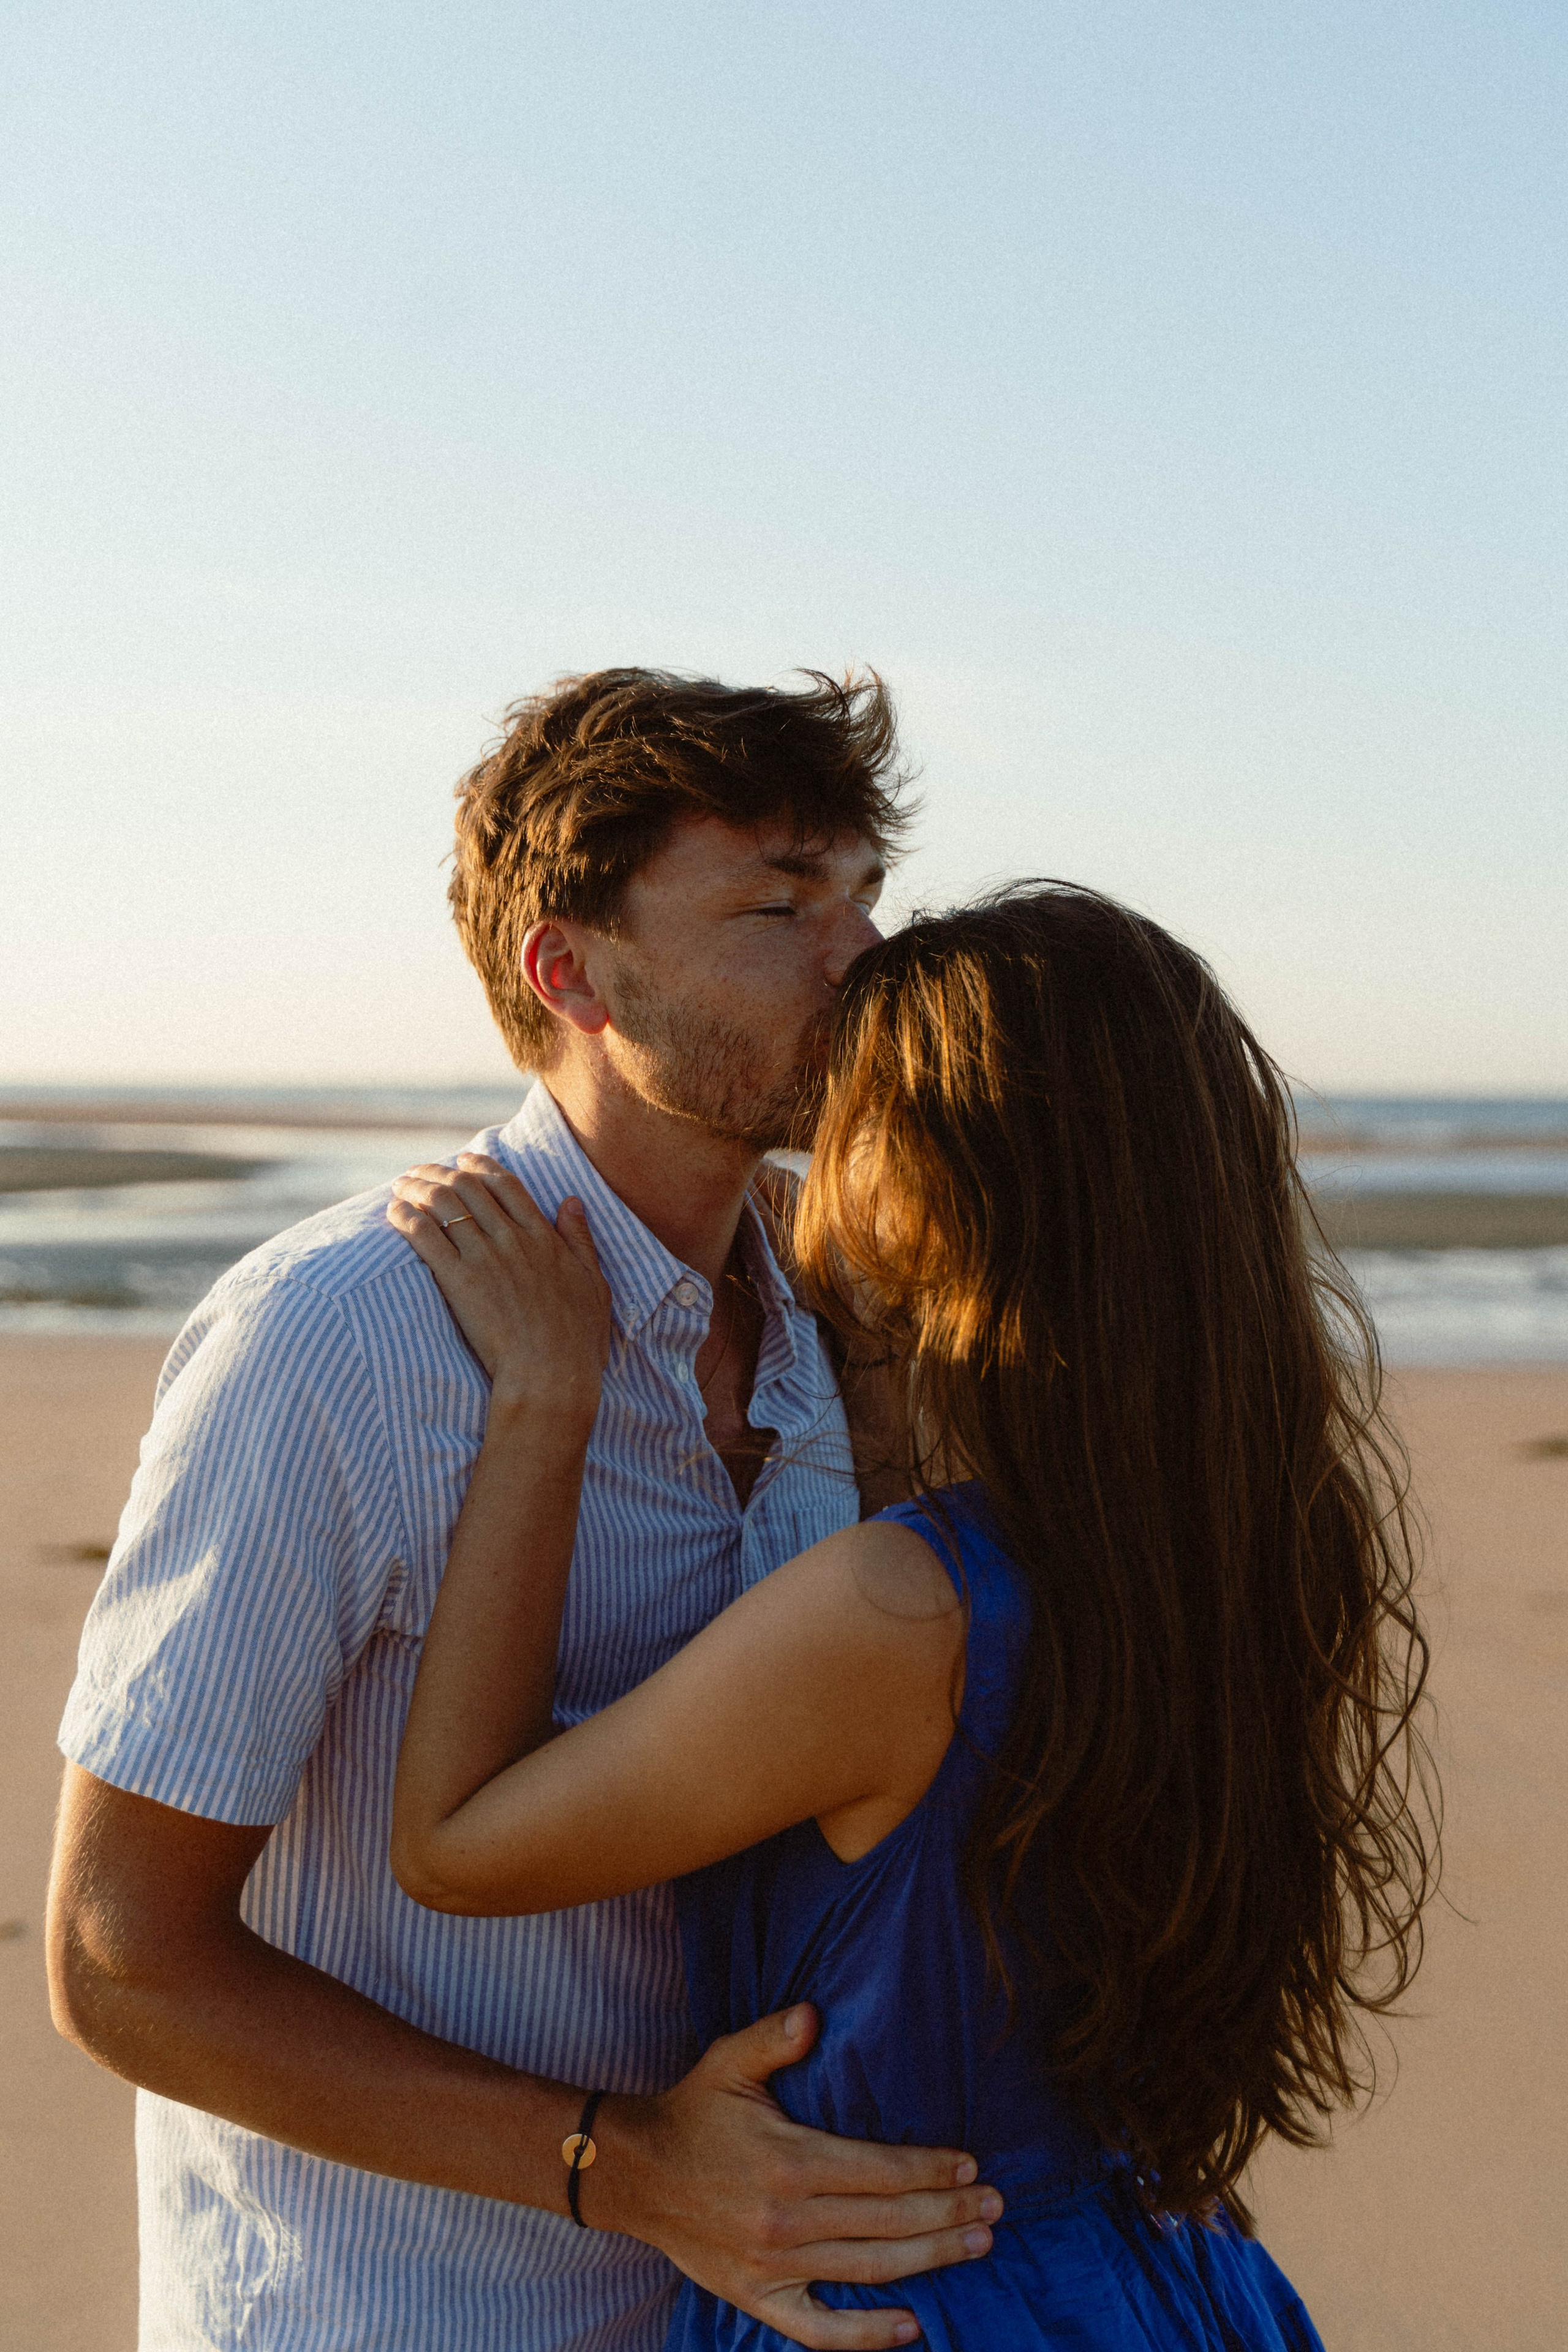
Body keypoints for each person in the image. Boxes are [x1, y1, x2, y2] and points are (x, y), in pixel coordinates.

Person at [47, 669, 1005, 2352]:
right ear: (572, 969)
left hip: (737, 2310)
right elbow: (123, 1959)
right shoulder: (345, 1337)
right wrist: (622, 2168)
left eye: (864, 891)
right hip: (388, 2312)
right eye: (780, 905)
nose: (861, 955)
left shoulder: (831, 1323)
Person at [385, 883, 1438, 2351]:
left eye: (849, 1119)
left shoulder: (899, 1612)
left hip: (911, 2302)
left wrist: (545, 1401)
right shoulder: (1242, 1538)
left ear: (951, 1179)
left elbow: (454, 1844)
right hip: (1153, 2281)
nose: (808, 1157)